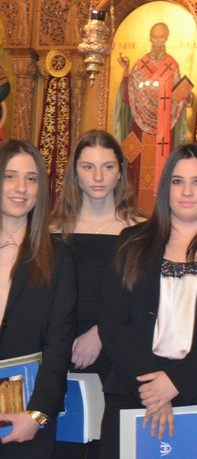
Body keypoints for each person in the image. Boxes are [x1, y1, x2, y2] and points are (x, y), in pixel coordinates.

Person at [98, 144, 197, 459]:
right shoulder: (131, 243)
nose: (186, 192)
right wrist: (154, 388)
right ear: (166, 187)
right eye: (178, 181)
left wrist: (177, 382)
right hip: (133, 392)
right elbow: (113, 322)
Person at [50, 130, 143, 459]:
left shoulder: (141, 230)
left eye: (107, 166)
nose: (98, 177)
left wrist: (102, 332)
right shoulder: (51, 229)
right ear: (75, 172)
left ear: (120, 171)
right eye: (88, 167)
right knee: (63, 445)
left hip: (118, 351)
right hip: (61, 348)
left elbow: (147, 301)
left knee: (109, 444)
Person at [0, 140, 77, 457]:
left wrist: (38, 413)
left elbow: (60, 343)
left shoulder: (58, 256)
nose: (21, 188)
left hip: (25, 417)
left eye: (31, 179)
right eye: (10, 176)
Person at [113, 22, 193, 212]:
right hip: (140, 127)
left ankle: (163, 210)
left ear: (166, 38)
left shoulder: (172, 65)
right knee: (135, 163)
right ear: (150, 38)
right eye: (155, 37)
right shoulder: (141, 64)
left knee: (166, 165)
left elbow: (178, 97)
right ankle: (134, 209)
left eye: (162, 37)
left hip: (165, 127)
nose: (158, 41)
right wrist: (126, 71)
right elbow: (128, 94)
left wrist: (186, 95)